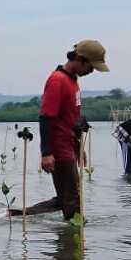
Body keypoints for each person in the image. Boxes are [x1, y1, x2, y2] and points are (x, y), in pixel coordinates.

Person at [12, 40, 109, 224]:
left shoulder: (73, 82)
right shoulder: (58, 81)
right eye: (91, 66)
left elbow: (72, 119)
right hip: (58, 150)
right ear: (80, 59)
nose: (92, 71)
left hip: (69, 146)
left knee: (67, 198)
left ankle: (16, 216)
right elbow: (46, 118)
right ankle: (73, 245)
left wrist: (79, 147)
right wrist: (47, 153)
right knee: (72, 204)